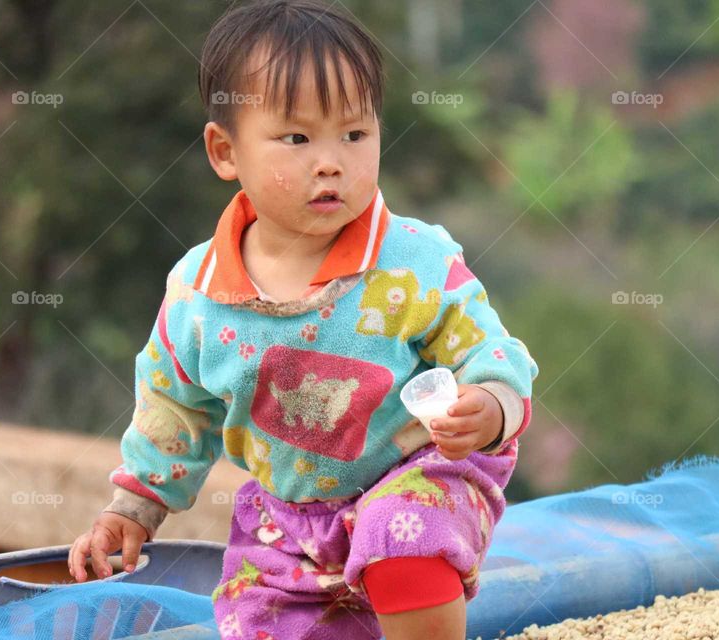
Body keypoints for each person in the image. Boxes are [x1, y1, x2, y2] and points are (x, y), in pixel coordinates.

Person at [68, 1, 538, 638]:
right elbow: (174, 411)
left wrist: (489, 406)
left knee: (398, 536)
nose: (331, 162)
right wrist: (134, 508)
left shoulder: (413, 264)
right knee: (259, 619)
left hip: (422, 476)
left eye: (354, 133)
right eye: (296, 137)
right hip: (288, 517)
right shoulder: (197, 296)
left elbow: (493, 354)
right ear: (225, 151)